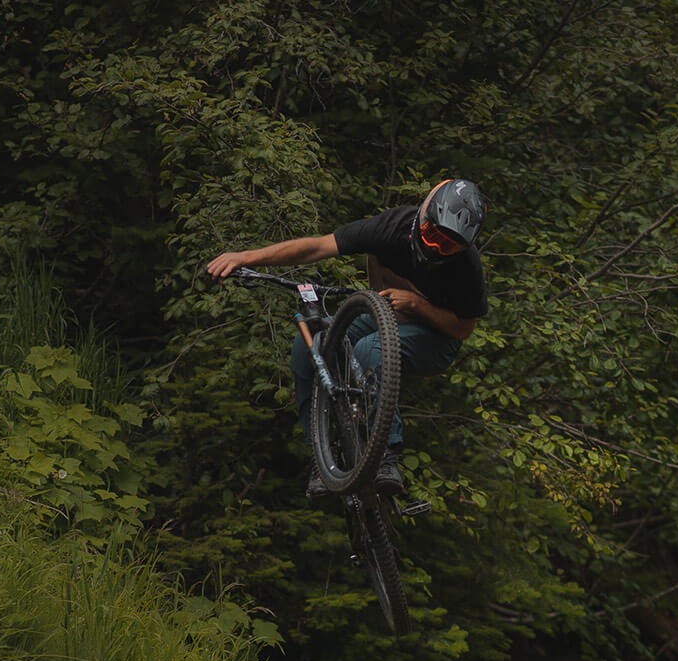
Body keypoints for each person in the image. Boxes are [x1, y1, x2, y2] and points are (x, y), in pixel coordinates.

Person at [206, 178, 488, 497]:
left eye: (449, 246)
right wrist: (245, 257)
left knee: (371, 350)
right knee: (310, 344)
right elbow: (317, 246)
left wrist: (418, 305)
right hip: (387, 317)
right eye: (433, 236)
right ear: (423, 217)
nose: (437, 249)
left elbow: (463, 329)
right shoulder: (390, 228)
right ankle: (321, 455)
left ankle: (385, 457)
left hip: (437, 337)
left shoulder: (466, 266)